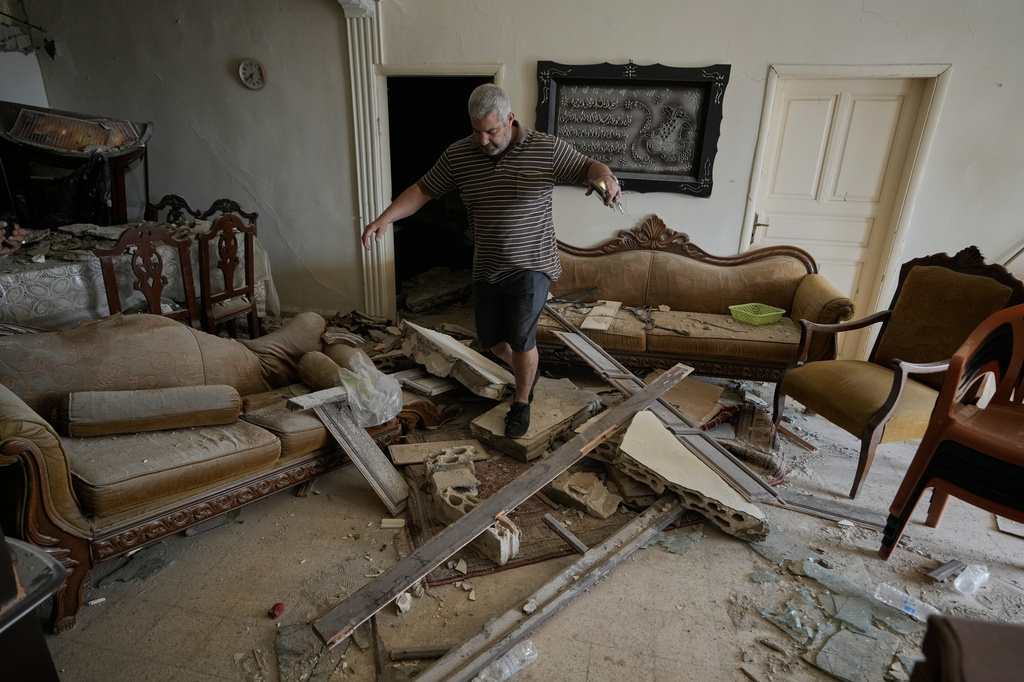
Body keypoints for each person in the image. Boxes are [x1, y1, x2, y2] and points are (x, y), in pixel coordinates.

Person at [362, 83, 621, 438]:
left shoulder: (545, 148)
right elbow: (424, 189)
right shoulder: (458, 156)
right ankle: (529, 372)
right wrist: (385, 218)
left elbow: (590, 167)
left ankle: (522, 401)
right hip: (487, 265)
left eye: (491, 131)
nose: (482, 140)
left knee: (520, 339)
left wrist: (604, 177)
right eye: (476, 131)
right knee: (491, 341)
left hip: (532, 264)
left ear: (510, 119)